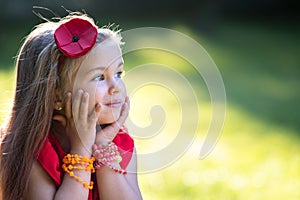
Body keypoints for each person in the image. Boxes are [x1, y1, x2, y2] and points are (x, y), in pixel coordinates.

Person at [0, 12, 142, 200]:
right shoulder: (34, 151)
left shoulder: (119, 143)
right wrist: (81, 150)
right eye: (99, 77)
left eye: (118, 73)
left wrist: (103, 149)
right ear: (56, 95)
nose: (116, 87)